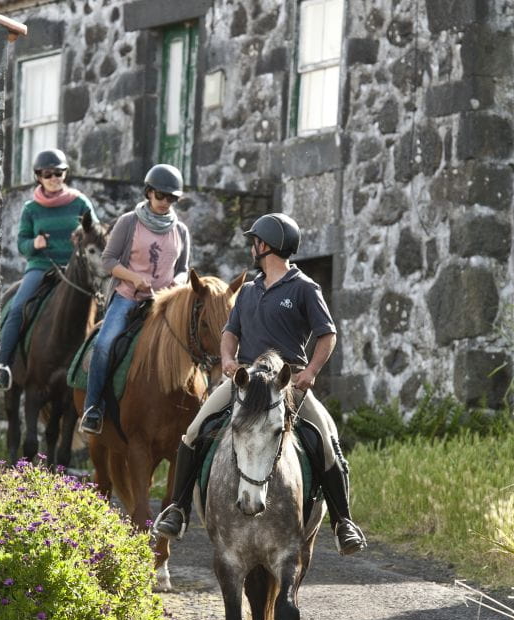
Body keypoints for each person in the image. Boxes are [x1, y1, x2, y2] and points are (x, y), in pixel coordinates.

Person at [153, 213, 367, 555]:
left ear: (265, 245)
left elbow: (328, 335)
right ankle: (178, 509)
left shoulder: (304, 288)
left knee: (326, 440)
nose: (253, 246)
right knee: (194, 431)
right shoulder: (249, 291)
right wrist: (227, 359)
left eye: (256, 241)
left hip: (288, 380)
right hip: (247, 380)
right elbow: (229, 333)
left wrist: (310, 372)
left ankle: (343, 523)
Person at [79, 164, 192, 435]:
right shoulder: (129, 222)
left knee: (193, 343)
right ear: (149, 192)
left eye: (172, 198)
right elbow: (108, 261)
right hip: (129, 297)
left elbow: (184, 268)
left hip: (164, 302)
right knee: (105, 344)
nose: (166, 202)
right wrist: (133, 277)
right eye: (161, 196)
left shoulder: (181, 230)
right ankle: (93, 407)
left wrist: (178, 284)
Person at [0, 149, 99, 391]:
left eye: (59, 173)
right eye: (48, 173)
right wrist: (34, 244)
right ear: (38, 177)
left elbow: (95, 234)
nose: (54, 178)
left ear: (65, 174)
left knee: (104, 306)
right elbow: (21, 243)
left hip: (75, 270)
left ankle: (97, 371)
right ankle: (3, 365)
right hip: (41, 267)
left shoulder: (80, 202)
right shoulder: (31, 209)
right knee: (17, 307)